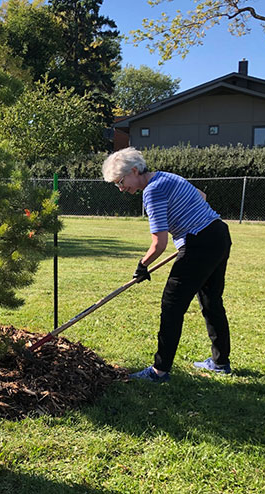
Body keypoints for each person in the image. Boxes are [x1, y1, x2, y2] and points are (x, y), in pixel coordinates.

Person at [102, 147, 232, 384]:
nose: (121, 188)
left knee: (172, 305)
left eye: (121, 181)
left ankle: (159, 371)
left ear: (134, 171)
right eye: (116, 185)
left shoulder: (151, 191)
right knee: (212, 301)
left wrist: (142, 265)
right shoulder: (168, 176)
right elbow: (202, 197)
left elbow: (159, 243)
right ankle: (220, 362)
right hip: (218, 234)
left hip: (199, 243)